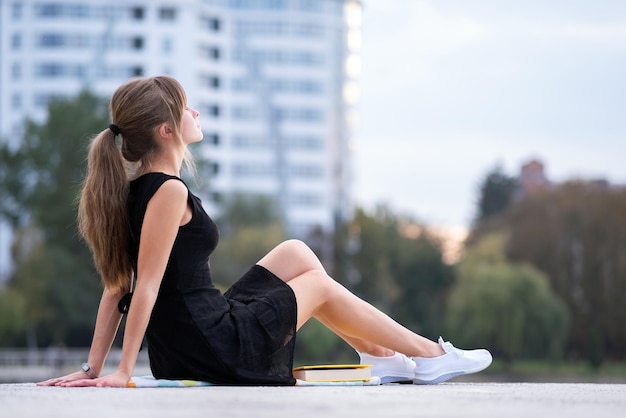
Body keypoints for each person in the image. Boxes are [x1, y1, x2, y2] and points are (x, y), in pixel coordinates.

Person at [38, 76, 491, 388]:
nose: (196, 111)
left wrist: (92, 367)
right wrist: (121, 370)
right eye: (186, 107)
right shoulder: (168, 192)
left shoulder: (134, 190)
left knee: (295, 253)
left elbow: (116, 285)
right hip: (212, 346)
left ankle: (380, 356)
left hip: (201, 332)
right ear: (167, 129)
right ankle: (430, 356)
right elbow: (142, 287)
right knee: (316, 285)